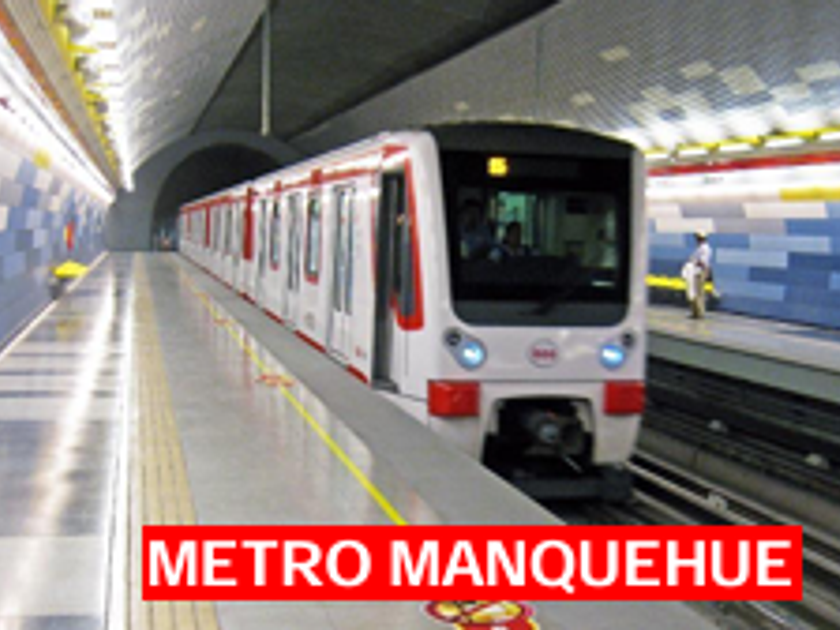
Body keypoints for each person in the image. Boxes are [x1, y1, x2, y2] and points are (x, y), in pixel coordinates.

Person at [685, 230, 712, 319]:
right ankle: (695, 312)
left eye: (697, 237)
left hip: (700, 271)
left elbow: (703, 262)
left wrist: (693, 262)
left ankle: (699, 312)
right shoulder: (699, 248)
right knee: (694, 291)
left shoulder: (705, 248)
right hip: (696, 271)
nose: (696, 239)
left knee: (699, 292)